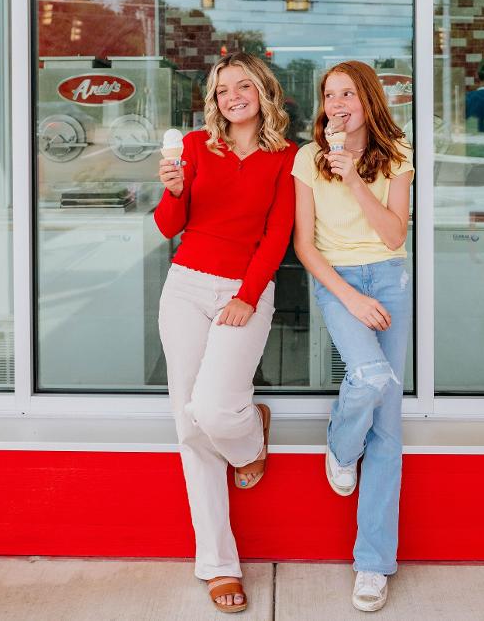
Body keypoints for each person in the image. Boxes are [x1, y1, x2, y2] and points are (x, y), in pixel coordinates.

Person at [155, 52, 297, 613]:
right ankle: (218, 564)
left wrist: (246, 295)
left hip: (246, 289)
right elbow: (169, 226)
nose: (232, 96)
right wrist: (172, 190)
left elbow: (278, 235)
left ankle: (249, 437)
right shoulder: (194, 147)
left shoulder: (288, 156)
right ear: (213, 100)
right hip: (185, 286)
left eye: (243, 86)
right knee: (189, 424)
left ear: (264, 92)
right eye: (221, 89)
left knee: (214, 409)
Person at [292, 60, 414, 613]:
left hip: (390, 279)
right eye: (329, 95)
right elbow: (304, 246)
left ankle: (372, 564)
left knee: (387, 428)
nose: (336, 104)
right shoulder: (307, 158)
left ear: (368, 99)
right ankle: (342, 446)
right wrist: (350, 297)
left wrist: (355, 180)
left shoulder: (397, 152)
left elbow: (392, 234)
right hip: (338, 282)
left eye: (346, 93)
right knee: (368, 377)